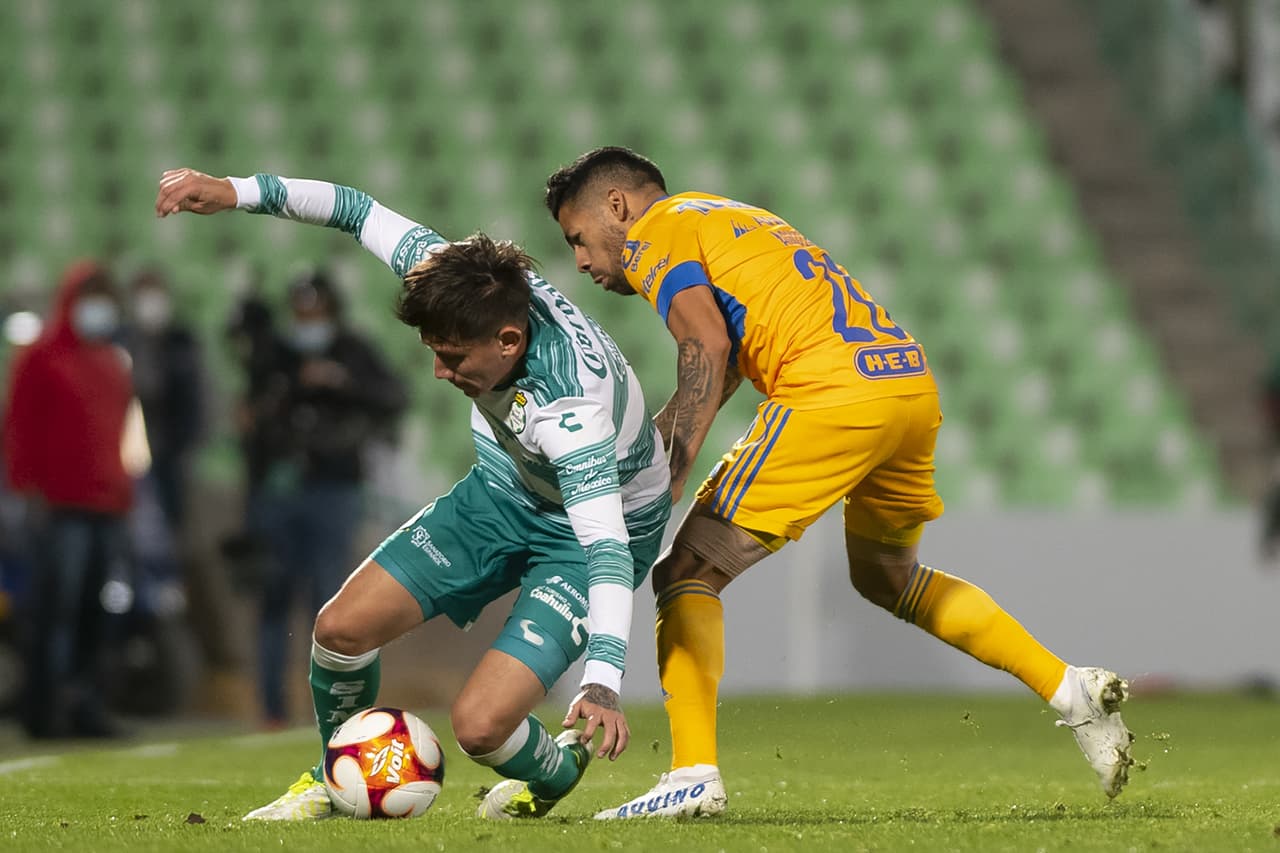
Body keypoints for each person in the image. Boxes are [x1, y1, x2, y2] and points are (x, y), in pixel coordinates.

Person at [544, 147, 1135, 819]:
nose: (582, 261)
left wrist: (672, 470)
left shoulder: (656, 231)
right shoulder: (730, 216)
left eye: (578, 238)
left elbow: (704, 344)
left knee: (685, 572)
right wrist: (658, 442)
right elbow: (727, 351)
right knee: (888, 578)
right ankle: (1069, 689)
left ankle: (693, 774)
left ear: (617, 206)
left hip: (833, 393)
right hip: (905, 385)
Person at [154, 168, 672, 820]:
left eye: (453, 357)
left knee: (480, 727)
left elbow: (606, 548)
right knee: (339, 629)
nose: (439, 371)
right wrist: (233, 191)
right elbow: (353, 207)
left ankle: (557, 765)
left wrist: (602, 682)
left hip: (592, 527)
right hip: (503, 491)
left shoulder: (571, 409)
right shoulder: (464, 281)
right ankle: (334, 778)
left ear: (508, 342)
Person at [245, 266, 409, 729]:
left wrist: (341, 382)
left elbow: (394, 396)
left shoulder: (353, 350)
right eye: (300, 310)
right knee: (274, 598)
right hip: (279, 490)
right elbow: (250, 418)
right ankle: (272, 709)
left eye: (314, 309)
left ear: (331, 308)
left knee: (330, 601)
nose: (307, 318)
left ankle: (333, 710)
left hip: (334, 488)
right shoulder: (274, 354)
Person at [2, 261, 135, 738]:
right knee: (56, 609)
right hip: (59, 506)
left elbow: (124, 436)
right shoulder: (41, 357)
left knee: (96, 614)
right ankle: (44, 708)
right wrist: (25, 489)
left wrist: (126, 491)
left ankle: (85, 706)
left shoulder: (113, 363)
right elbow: (18, 426)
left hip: (107, 507)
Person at [124, 266, 206, 531]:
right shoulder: (122, 340)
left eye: (154, 293)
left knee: (171, 520)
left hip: (172, 447)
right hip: (128, 452)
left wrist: (190, 439)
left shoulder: (181, 339)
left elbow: (197, 393)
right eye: (143, 294)